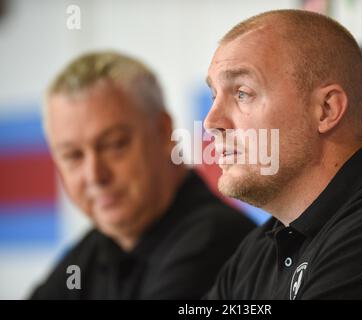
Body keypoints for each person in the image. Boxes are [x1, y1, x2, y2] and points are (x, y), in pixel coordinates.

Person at [203, 9, 362, 299]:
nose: (210, 122)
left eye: (242, 93)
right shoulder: (259, 249)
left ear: (326, 110)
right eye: (213, 96)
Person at [30, 51, 255, 299]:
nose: (94, 175)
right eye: (73, 156)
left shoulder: (214, 240)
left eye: (114, 145)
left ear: (163, 131)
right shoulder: (98, 245)